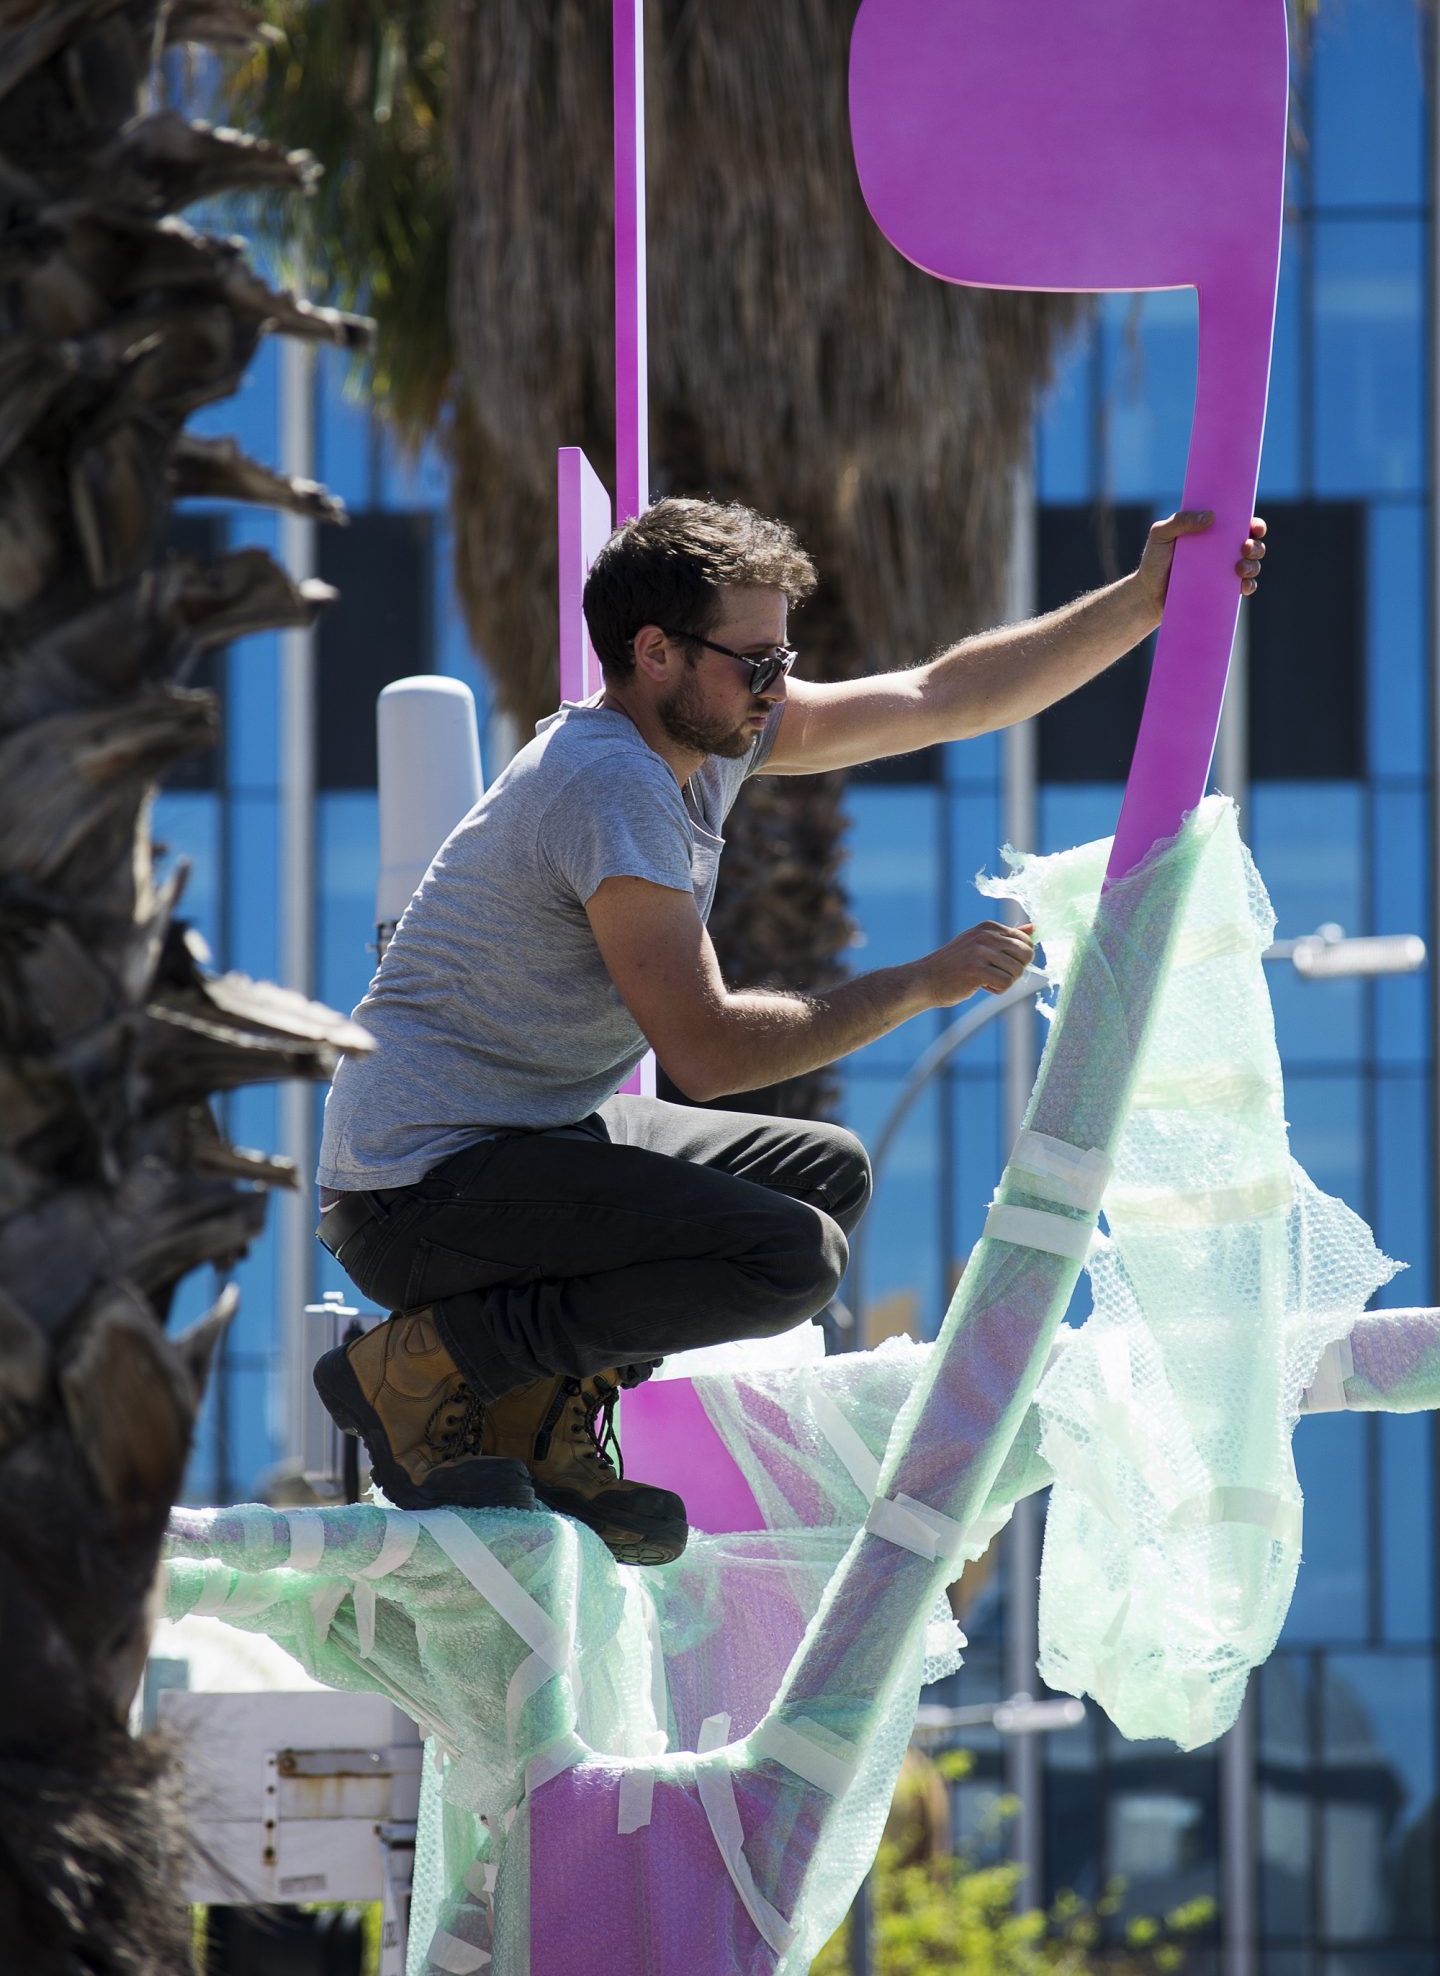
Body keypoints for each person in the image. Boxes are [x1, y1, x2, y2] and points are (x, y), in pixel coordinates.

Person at [313, 496, 1265, 1563]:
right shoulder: (608, 784)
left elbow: (937, 696)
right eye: (754, 663)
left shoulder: (707, 738)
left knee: (822, 1174)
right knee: (786, 1258)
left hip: (518, 1150)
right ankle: (429, 1368)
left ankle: (526, 1410)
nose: (775, 689)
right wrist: (917, 983)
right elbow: (708, 1054)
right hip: (417, 1193)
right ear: (655, 652)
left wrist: (1143, 604)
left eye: (783, 660)